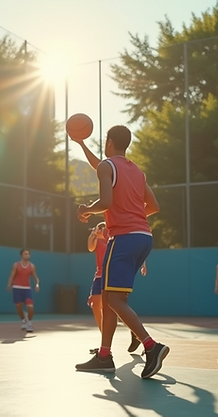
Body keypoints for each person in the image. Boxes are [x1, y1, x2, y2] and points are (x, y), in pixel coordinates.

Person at [72, 125, 168, 378]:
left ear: (109, 142)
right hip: (143, 238)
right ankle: (104, 355)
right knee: (110, 298)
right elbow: (153, 206)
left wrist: (86, 210)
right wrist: (82, 144)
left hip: (124, 239)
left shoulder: (108, 167)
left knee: (113, 301)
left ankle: (151, 346)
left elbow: (106, 201)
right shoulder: (136, 171)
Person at [87, 221, 146, 353]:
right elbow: (90, 247)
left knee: (115, 308)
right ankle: (104, 344)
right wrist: (92, 235)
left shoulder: (113, 238)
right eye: (99, 227)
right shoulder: (96, 239)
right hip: (99, 276)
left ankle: (137, 334)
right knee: (96, 305)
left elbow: (130, 248)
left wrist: (143, 263)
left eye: (103, 227)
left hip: (113, 273)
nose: (101, 229)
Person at [7, 249, 40, 333]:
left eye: (28, 254)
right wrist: (9, 284)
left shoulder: (32, 266)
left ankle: (29, 323)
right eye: (25, 254)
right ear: (21, 255)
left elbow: (36, 278)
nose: (27, 255)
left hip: (27, 289)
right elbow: (12, 275)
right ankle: (24, 320)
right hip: (17, 288)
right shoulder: (16, 265)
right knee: (19, 307)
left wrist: (37, 284)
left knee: (30, 307)